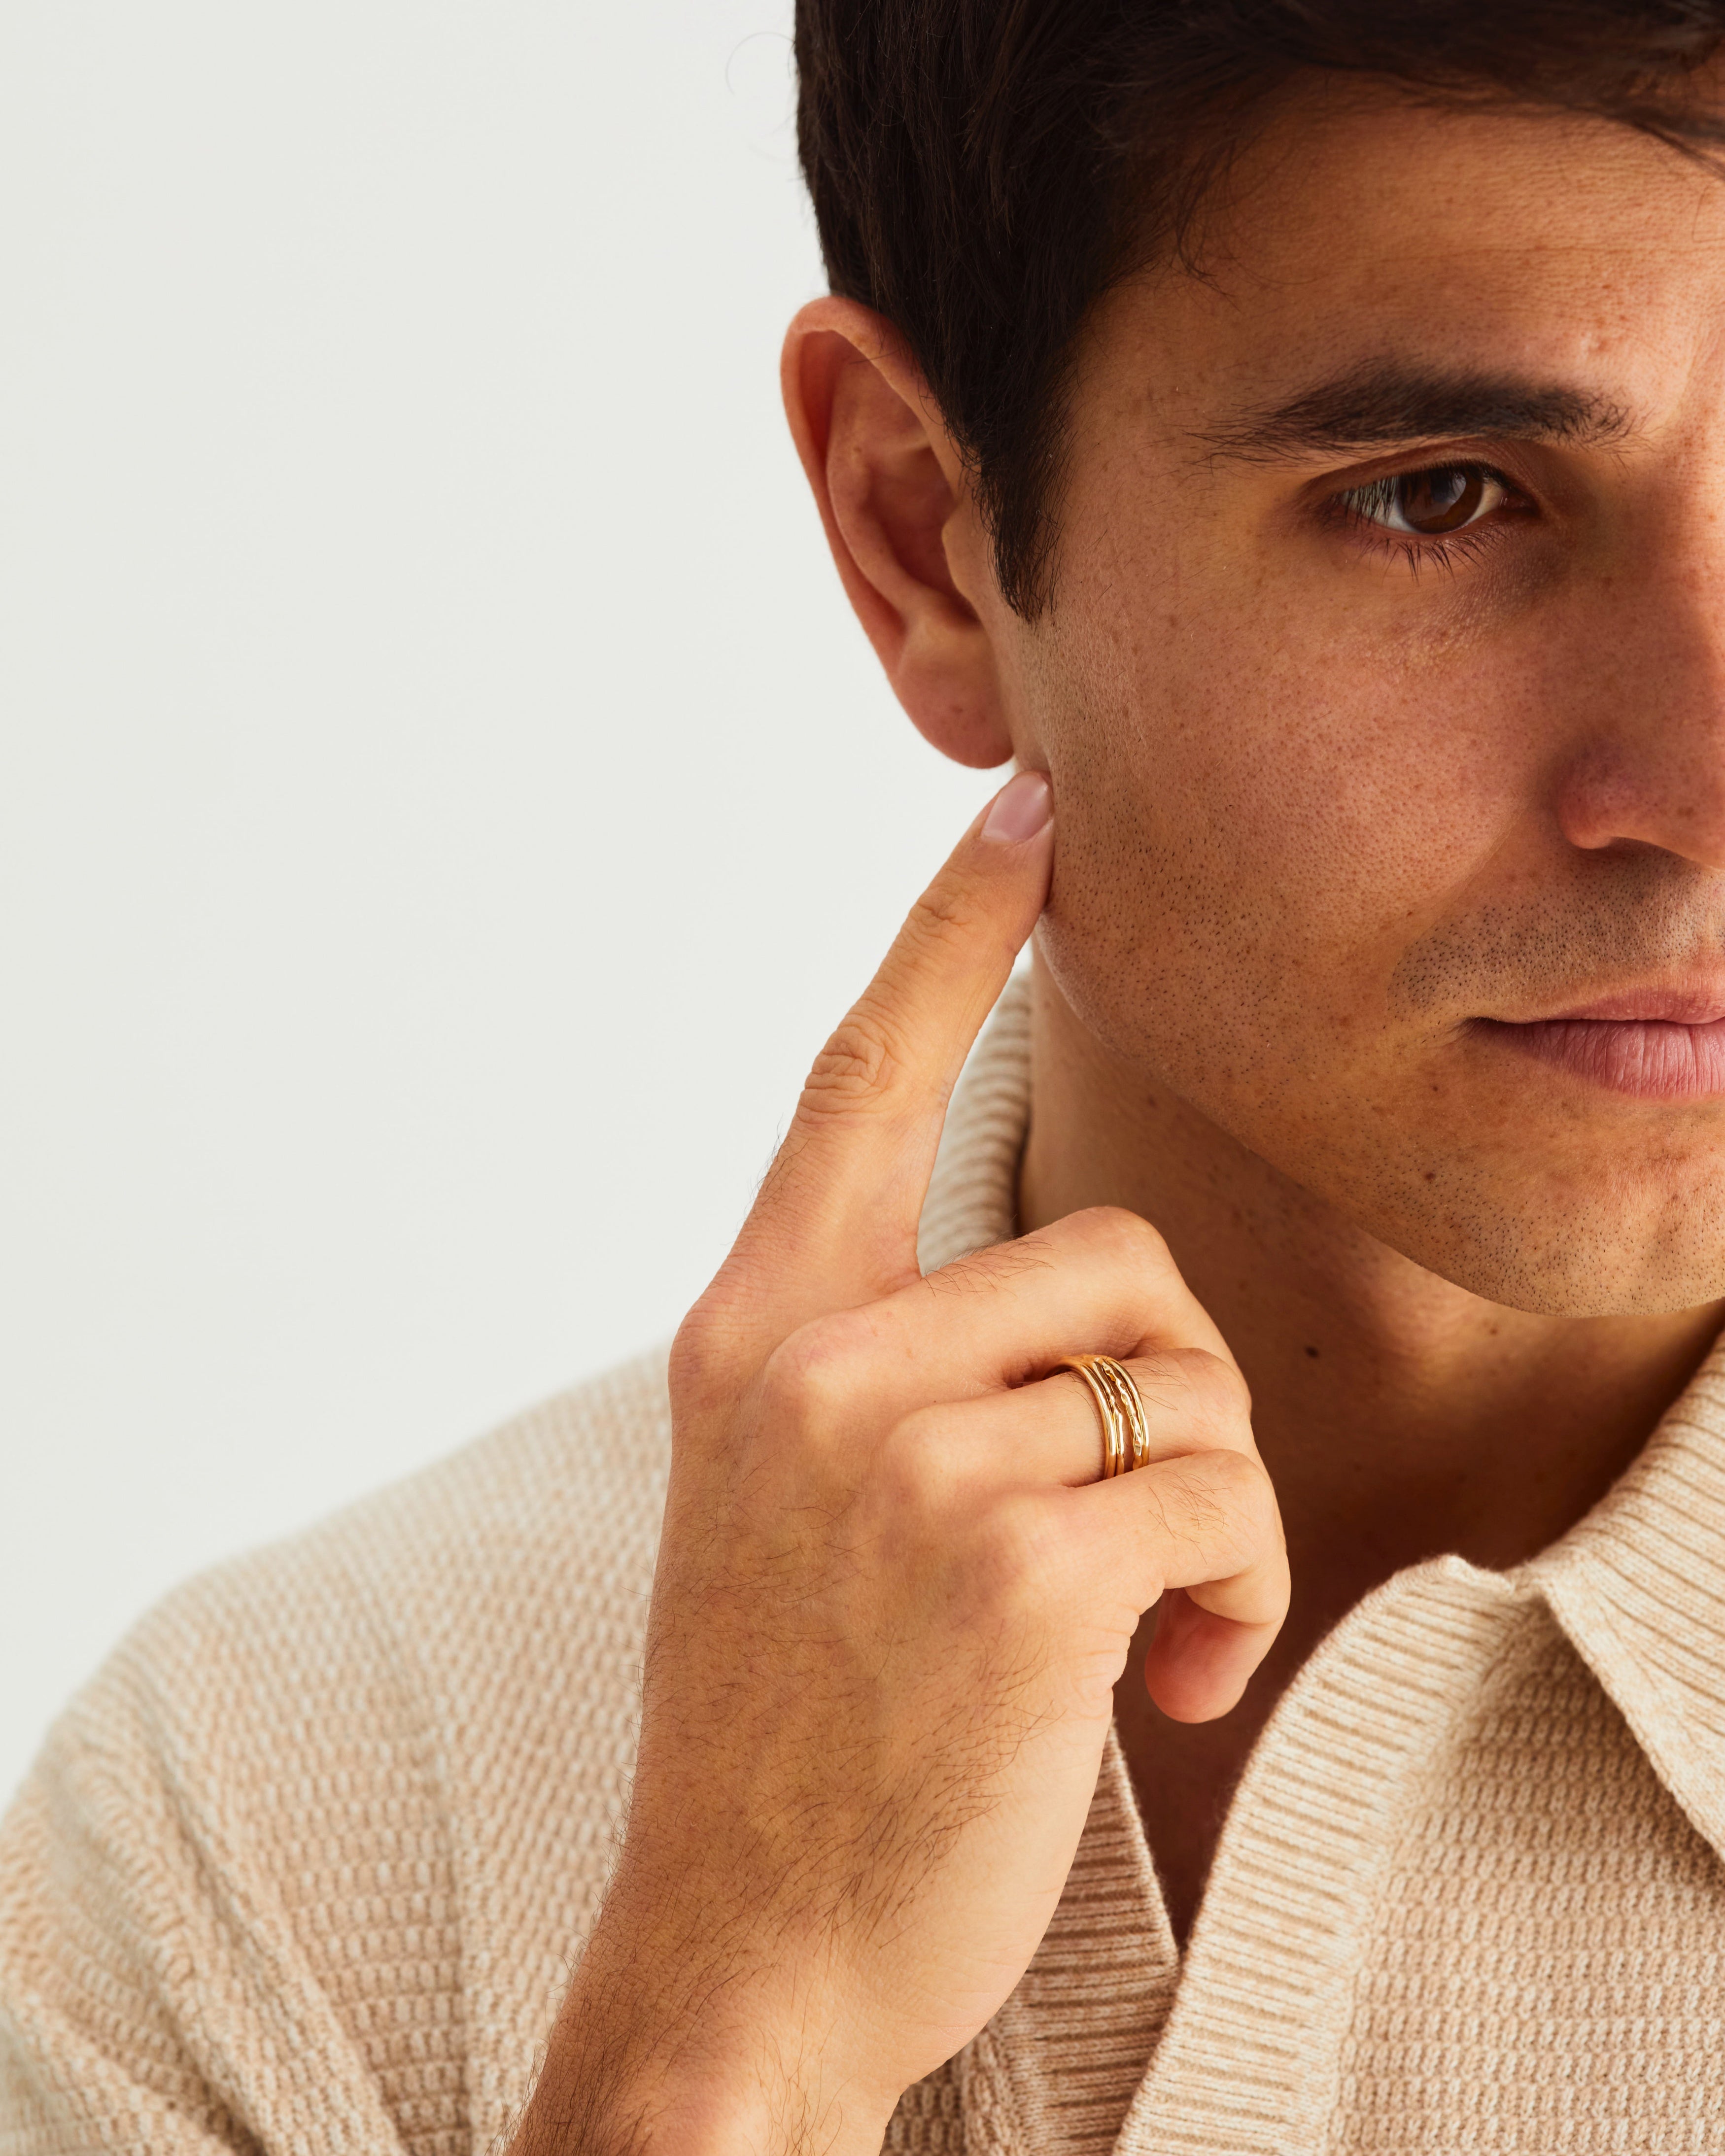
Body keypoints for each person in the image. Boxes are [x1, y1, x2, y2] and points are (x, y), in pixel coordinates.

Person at [11, 2, 1725, 2150]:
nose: (1693, 783)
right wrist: (718, 2040)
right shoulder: (264, 1835)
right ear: (925, 535)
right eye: (1435, 498)